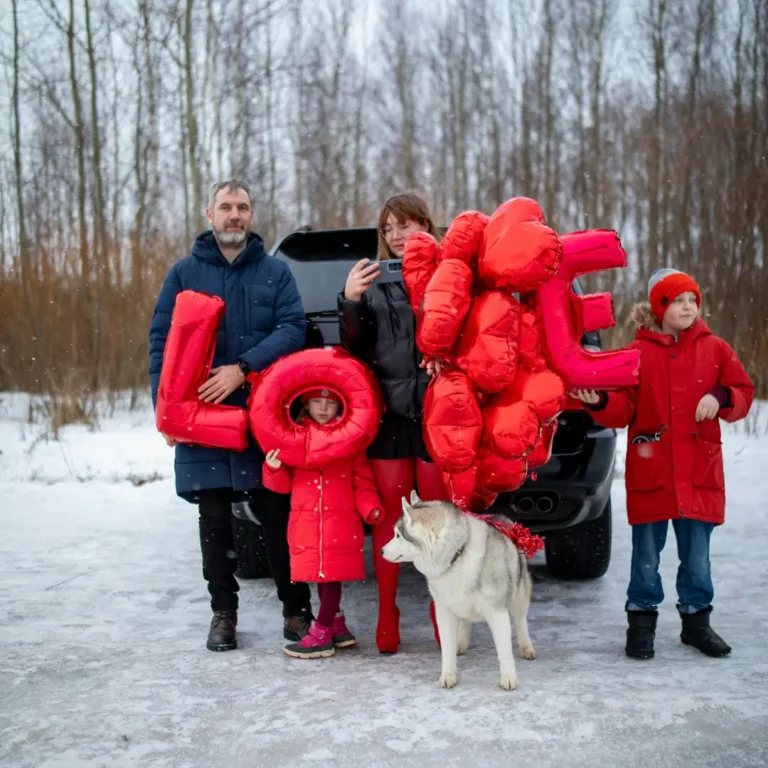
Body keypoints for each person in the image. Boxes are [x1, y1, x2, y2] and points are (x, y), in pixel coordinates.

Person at [149, 179, 313, 652]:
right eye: (226, 207)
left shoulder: (274, 273)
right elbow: (161, 342)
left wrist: (243, 368)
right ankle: (224, 614)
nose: (234, 215)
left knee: (277, 516)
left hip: (264, 418)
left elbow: (293, 329)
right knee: (215, 520)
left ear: (252, 215)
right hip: (201, 418)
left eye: (242, 207)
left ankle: (295, 610)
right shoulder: (183, 273)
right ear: (209, 214)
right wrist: (164, 413)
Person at [571, 268, 755, 660]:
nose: (688, 307)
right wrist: (599, 403)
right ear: (660, 307)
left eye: (693, 300)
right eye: (679, 300)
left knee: (697, 557)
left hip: (698, 471)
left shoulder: (716, 349)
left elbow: (743, 392)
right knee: (646, 557)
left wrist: (721, 395)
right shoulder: (637, 354)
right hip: (653, 468)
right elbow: (625, 408)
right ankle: (641, 622)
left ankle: (697, 623)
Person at [337, 193, 448, 654]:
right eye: (390, 228)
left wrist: (449, 359)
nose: (400, 235)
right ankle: (387, 609)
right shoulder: (372, 282)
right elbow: (355, 348)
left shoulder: (450, 275)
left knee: (436, 516)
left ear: (427, 224)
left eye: (407, 224)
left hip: (439, 411)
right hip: (388, 413)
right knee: (389, 513)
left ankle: (441, 608)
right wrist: (349, 300)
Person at [261, 390, 384, 658]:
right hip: (307, 522)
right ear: (306, 404)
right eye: (318, 402)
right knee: (321, 574)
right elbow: (283, 486)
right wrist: (273, 469)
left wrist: (370, 506)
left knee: (331, 578)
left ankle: (323, 631)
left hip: (339, 523)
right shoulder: (294, 438)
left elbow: (361, 479)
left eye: (330, 403)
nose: (324, 408)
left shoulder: (350, 441)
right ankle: (337, 625)